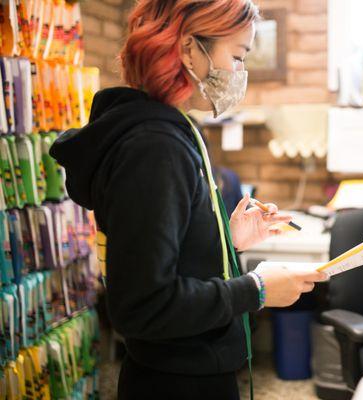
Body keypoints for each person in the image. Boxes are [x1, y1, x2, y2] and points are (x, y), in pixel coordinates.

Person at [49, 1, 327, 399]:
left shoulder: (172, 130)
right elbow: (144, 304)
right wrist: (257, 289)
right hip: (175, 383)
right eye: (236, 56)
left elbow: (160, 252)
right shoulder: (155, 147)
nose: (238, 73)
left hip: (190, 369)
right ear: (187, 49)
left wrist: (222, 240)